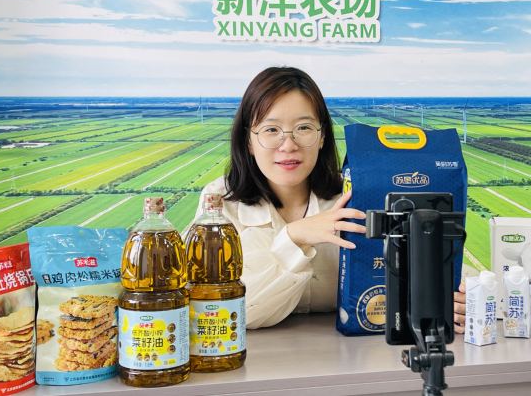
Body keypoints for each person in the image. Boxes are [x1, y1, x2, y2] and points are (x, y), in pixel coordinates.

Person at [195, 66, 467, 331]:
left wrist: (457, 300)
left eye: (303, 127)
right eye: (271, 130)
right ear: (248, 142)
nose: (288, 145)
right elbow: (219, 313)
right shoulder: (218, 204)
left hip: (356, 351)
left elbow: (422, 270)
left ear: (322, 136)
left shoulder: (360, 194)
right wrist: (294, 237)